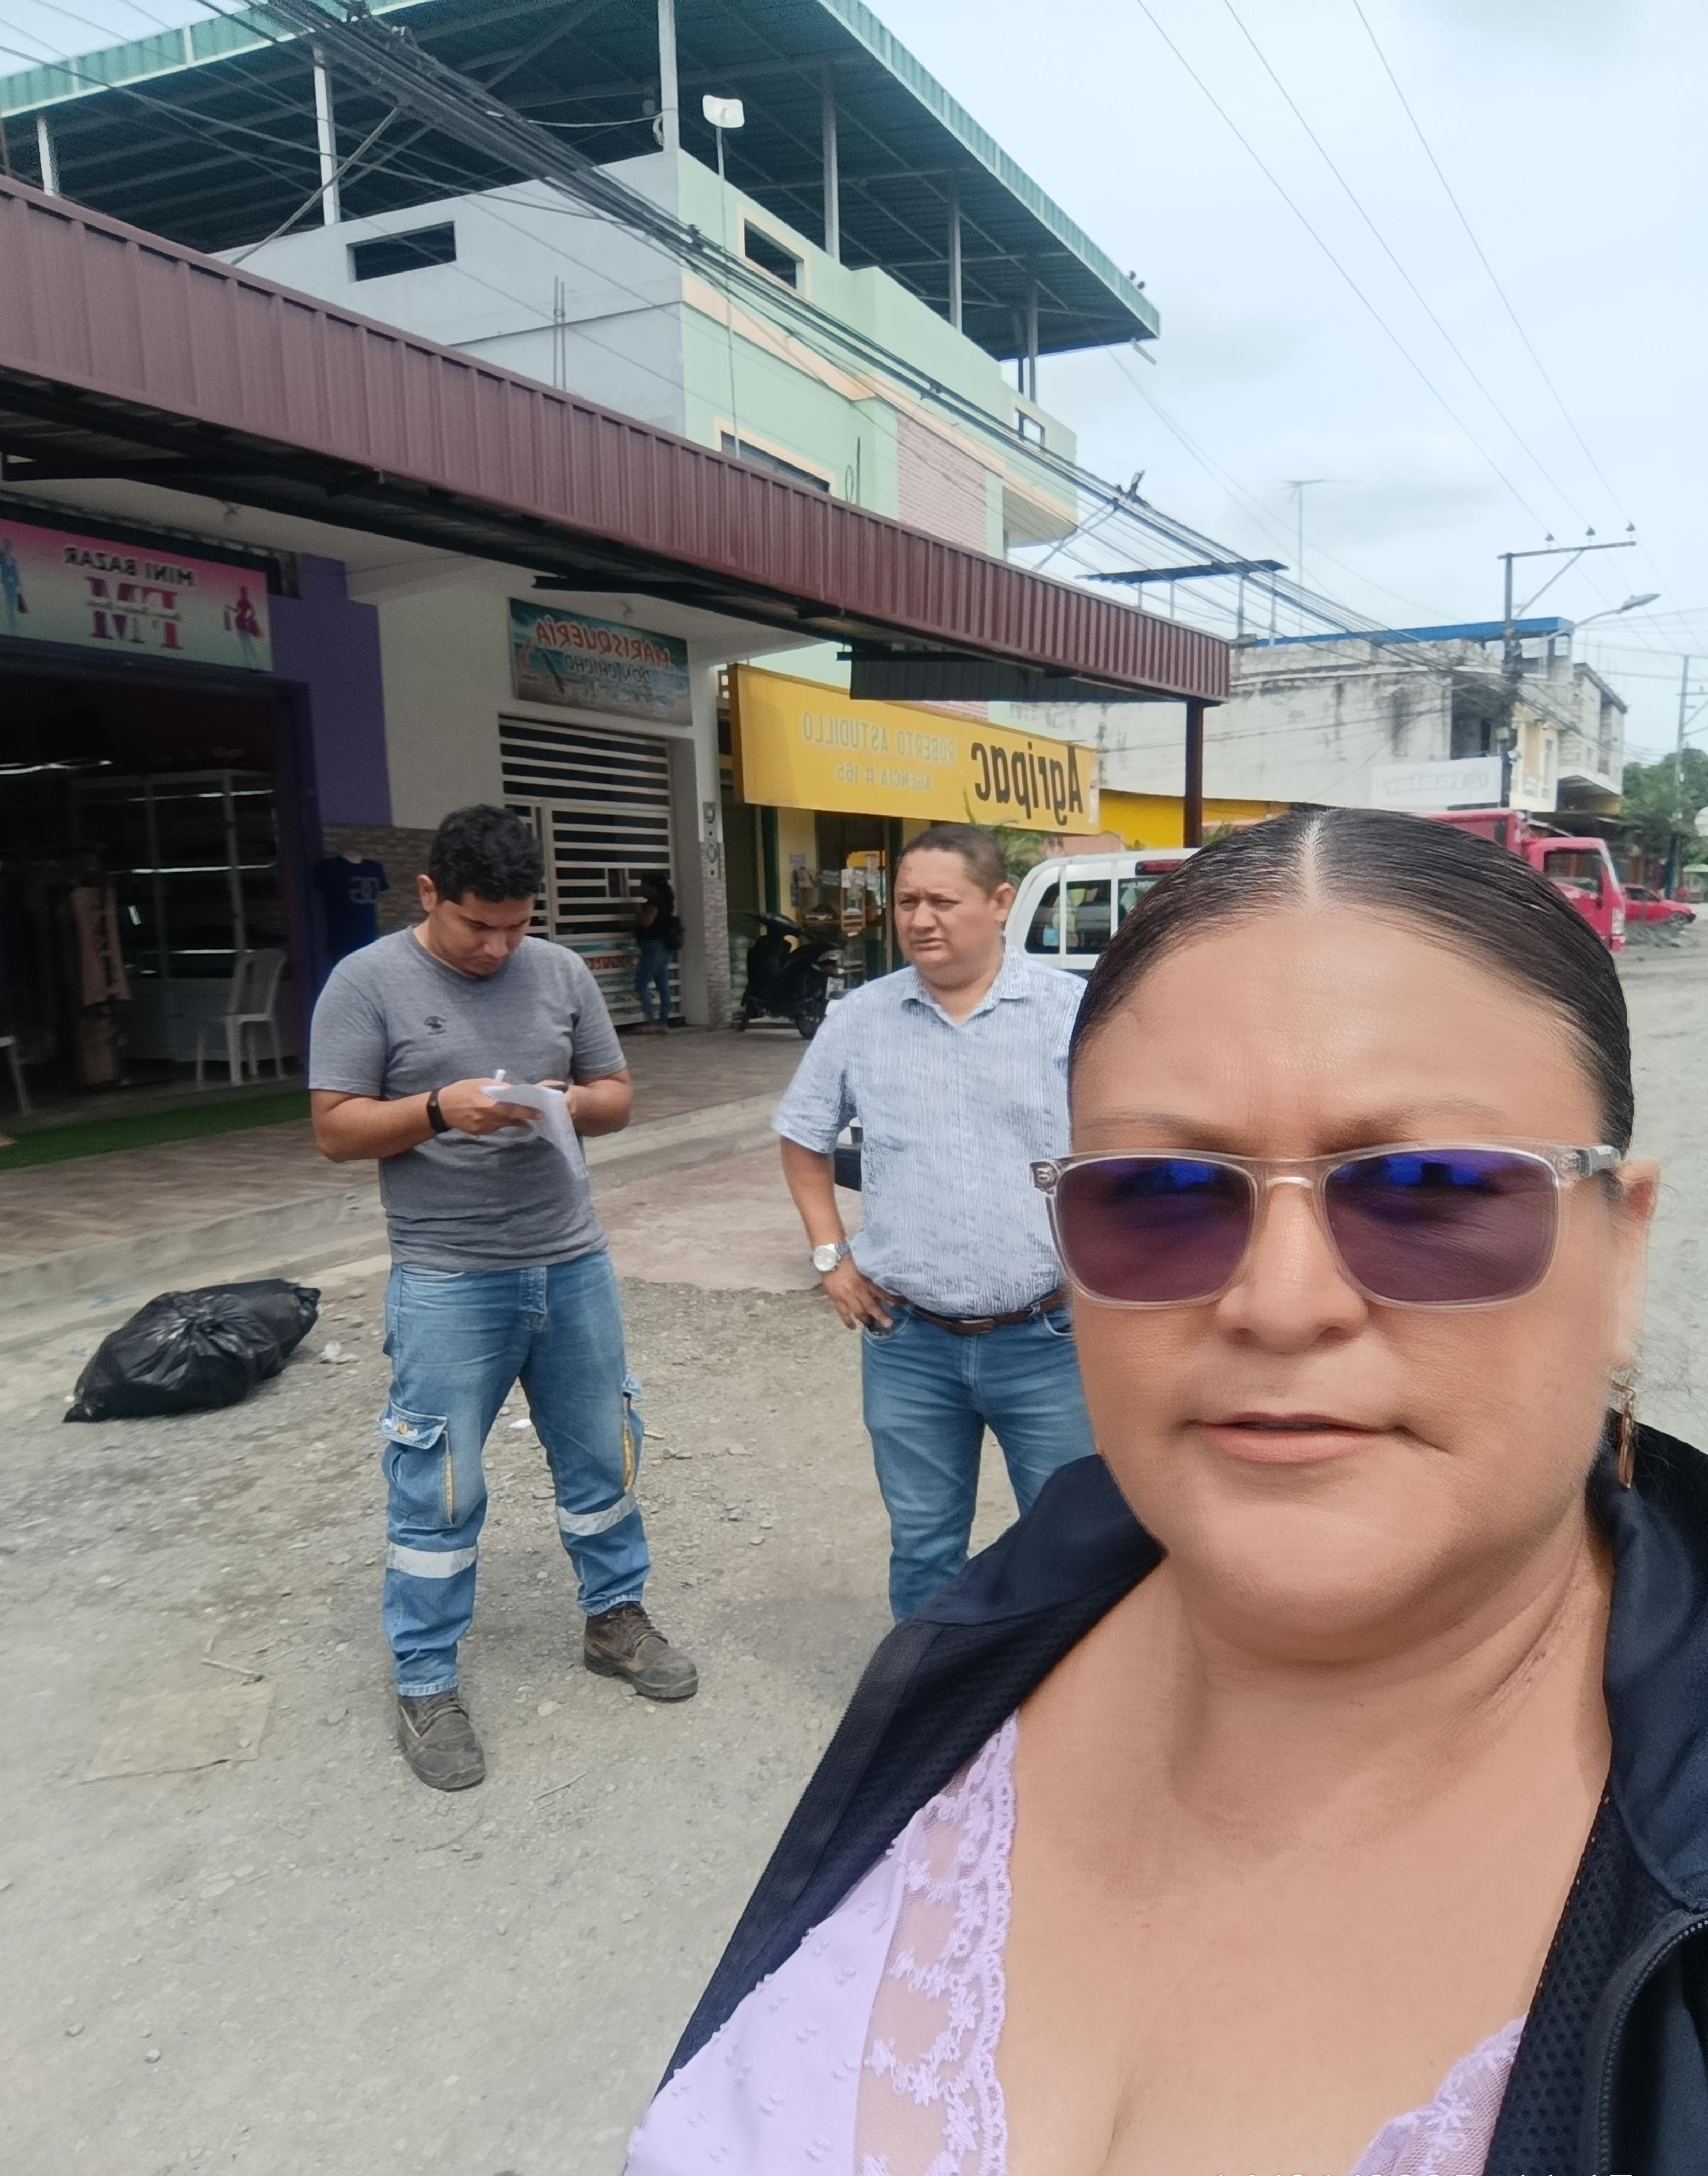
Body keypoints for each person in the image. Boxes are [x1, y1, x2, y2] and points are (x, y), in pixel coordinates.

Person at [627, 808, 1708, 2175]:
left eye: (1428, 1190)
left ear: (1619, 1253)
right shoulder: (989, 1630)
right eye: (1159, 1194)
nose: (1280, 1302)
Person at [309, 804, 696, 1794]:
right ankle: (426, 1680)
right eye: (477, 926)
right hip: (446, 1275)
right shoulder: (366, 983)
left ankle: (614, 1619)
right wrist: (440, 1109)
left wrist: (563, 1103)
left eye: (516, 926)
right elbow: (337, 1130)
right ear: (428, 893)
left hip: (571, 1261)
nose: (497, 948)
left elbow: (617, 1095)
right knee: (439, 1481)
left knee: (602, 1449)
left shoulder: (560, 973)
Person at [775, 822, 1094, 1621]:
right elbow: (802, 1138)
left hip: (1048, 1341)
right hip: (908, 1344)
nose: (920, 920)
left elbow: (1129, 1149)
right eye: (907, 901)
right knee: (922, 1545)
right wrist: (830, 1258)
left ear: (999, 902)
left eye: (942, 902)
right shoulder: (861, 1018)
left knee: (1066, 1543)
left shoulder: (1069, 1013)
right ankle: (926, 1688)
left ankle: (1054, 1691)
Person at [632, 871, 679, 1034]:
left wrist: (638, 910)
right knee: (663, 986)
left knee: (641, 985)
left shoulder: (654, 903)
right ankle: (663, 1022)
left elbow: (647, 922)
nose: (641, 889)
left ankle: (651, 1022)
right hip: (662, 948)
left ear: (652, 888)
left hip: (653, 949)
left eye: (643, 886)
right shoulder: (666, 903)